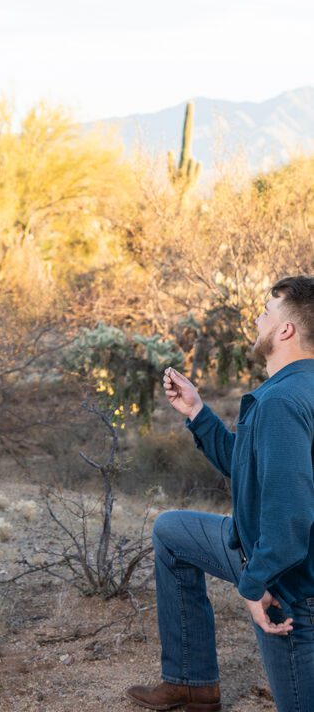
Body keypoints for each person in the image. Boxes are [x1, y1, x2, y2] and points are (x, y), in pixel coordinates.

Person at [127, 275, 314, 712]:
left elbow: (290, 519)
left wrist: (254, 586)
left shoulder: (282, 402)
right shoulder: (290, 392)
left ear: (285, 330)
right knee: (172, 532)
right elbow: (250, 470)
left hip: (289, 588)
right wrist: (196, 411)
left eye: (266, 312)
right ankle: (192, 683)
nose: (258, 318)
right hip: (265, 552)